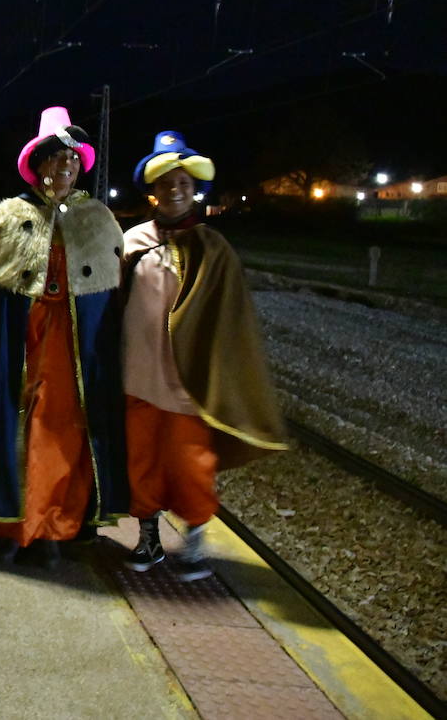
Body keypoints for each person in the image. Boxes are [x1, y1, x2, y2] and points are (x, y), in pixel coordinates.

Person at [0, 106, 128, 567]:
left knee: (60, 433)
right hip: (20, 341)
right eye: (54, 157)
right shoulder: (10, 216)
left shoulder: (98, 218)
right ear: (38, 164)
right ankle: (4, 525)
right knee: (7, 428)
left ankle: (51, 527)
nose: (64, 166)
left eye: (71, 159)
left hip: (73, 347)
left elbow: (107, 300)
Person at [121, 132, 287, 580]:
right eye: (165, 183)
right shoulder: (131, 241)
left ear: (195, 189)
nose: (174, 190)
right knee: (140, 462)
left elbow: (231, 322)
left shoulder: (214, 249)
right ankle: (148, 536)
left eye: (183, 183)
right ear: (152, 191)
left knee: (191, 463)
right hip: (136, 378)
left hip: (186, 384)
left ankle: (194, 538)